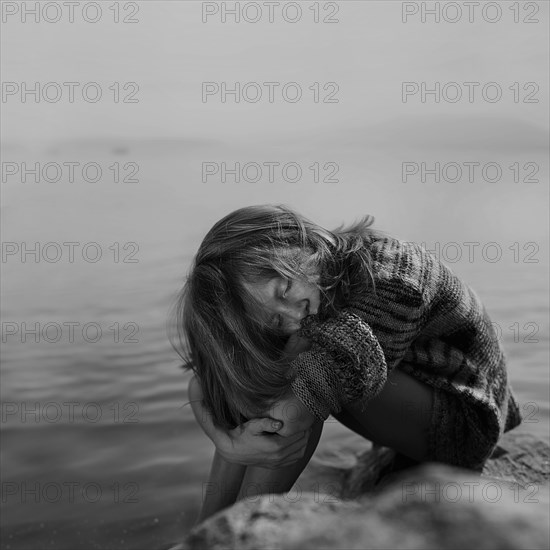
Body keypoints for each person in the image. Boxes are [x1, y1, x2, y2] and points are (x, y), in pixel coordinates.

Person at [171, 204, 522, 524]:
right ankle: (206, 530)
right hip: (413, 401)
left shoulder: (394, 273)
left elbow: (309, 395)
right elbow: (206, 384)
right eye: (276, 322)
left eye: (284, 289)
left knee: (308, 380)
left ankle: (241, 531)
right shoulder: (306, 293)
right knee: (254, 375)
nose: (296, 315)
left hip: (463, 421)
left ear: (297, 240)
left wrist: (284, 377)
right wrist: (229, 443)